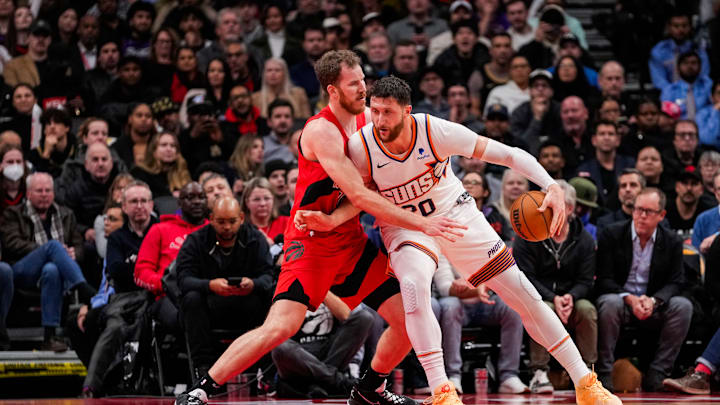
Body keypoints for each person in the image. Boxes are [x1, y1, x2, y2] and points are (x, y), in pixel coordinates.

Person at [298, 75, 620, 405]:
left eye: (388, 113)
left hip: (456, 214)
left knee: (524, 294)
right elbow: (359, 196)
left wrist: (550, 185)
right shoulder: (361, 146)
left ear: (407, 112)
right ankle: (443, 391)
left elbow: (506, 154)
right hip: (407, 227)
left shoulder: (435, 131)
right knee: (413, 285)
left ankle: (586, 382)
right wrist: (333, 218)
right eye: (375, 111)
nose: (379, 120)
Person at [175, 50, 462, 405]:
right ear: (333, 90)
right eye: (354, 84)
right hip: (311, 244)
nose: (363, 89)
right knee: (281, 327)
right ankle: (202, 389)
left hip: (350, 242)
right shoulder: (320, 131)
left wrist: (340, 216)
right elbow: (358, 192)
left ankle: (370, 389)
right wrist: (423, 222)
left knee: (411, 317)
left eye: (363, 81)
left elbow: (372, 186)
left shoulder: (365, 125)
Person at [595, 188, 693, 392]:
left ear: (662, 215)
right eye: (638, 209)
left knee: (683, 306)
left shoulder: (673, 241)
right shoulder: (612, 234)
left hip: (653, 304)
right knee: (609, 303)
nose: (641, 216)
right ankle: (603, 373)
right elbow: (604, 279)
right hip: (621, 300)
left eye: (648, 211)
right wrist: (630, 298)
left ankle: (659, 372)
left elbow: (676, 282)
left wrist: (654, 301)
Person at [176, 195, 273, 380]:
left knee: (272, 296)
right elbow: (183, 280)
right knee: (191, 299)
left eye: (232, 221)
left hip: (247, 304)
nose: (227, 227)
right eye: (220, 221)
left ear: (242, 218)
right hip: (210, 307)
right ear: (211, 218)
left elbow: (268, 277)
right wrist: (209, 285)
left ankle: (267, 369)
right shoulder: (195, 240)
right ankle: (202, 369)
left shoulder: (255, 239)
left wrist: (253, 284)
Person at [514, 180, 597, 394]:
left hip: (573, 297)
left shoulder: (584, 239)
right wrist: (553, 297)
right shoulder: (527, 235)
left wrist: (571, 296)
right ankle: (539, 372)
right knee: (544, 310)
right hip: (538, 296)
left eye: (550, 205)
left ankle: (587, 371)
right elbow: (525, 276)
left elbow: (586, 280)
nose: (541, 209)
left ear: (568, 208)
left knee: (587, 309)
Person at [2, 172, 96, 351]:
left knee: (52, 268)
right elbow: (11, 244)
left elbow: (79, 245)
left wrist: (73, 253)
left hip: (55, 272)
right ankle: (83, 287)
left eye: (48, 190)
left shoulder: (66, 214)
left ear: (53, 193)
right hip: (22, 270)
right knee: (53, 247)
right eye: (39, 190)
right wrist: (47, 250)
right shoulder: (13, 213)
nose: (44, 194)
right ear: (28, 193)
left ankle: (49, 337)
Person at [135, 181, 208, 328]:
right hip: (168, 297)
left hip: (208, 292)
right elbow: (141, 272)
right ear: (179, 202)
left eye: (201, 197)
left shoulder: (215, 230)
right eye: (190, 197)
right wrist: (164, 284)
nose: (196, 202)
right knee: (189, 316)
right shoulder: (160, 230)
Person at [271, 291, 372, 397]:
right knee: (280, 346)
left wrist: (321, 288)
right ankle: (338, 381)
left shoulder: (335, 286)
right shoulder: (288, 285)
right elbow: (277, 327)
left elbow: (346, 316)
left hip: (330, 353)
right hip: (300, 356)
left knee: (364, 318)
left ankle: (319, 383)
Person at [576, 121, 635, 207]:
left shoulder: (630, 165)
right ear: (594, 140)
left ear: (618, 140)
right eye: (602, 134)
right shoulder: (584, 169)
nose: (606, 137)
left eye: (611, 134)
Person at [131, 132, 191, 198]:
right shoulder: (140, 173)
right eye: (164, 145)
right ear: (154, 151)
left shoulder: (182, 173)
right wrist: (171, 196)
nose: (169, 149)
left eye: (173, 146)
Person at [660, 51, 713, 120]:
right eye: (685, 63)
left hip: (706, 127)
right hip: (679, 128)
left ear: (700, 67)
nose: (689, 66)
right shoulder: (669, 90)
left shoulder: (708, 85)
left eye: (693, 63)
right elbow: (666, 116)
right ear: (678, 68)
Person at [664, 167, 714, 240]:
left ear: (702, 189)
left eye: (694, 183)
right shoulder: (664, 210)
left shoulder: (709, 212)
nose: (689, 188)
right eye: (685, 183)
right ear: (677, 187)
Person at [240, 177, 289, 244]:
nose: (262, 204)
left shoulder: (287, 223)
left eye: (267, 198)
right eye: (256, 199)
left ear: (273, 199)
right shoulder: (241, 228)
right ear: (247, 202)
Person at [692, 172, 720, 253]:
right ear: (715, 193)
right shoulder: (703, 219)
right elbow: (695, 256)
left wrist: (716, 237)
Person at [262, 99, 296, 164]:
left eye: (287, 116)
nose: (283, 120)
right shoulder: (261, 145)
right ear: (269, 121)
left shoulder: (301, 142)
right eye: (278, 116)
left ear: (293, 121)